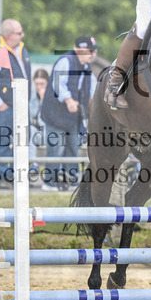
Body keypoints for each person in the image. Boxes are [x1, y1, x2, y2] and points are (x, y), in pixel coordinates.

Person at [41, 36, 97, 189]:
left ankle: (70, 180)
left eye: (93, 51)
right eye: (90, 51)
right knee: (56, 148)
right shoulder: (65, 61)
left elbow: (92, 91)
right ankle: (49, 182)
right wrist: (69, 100)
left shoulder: (87, 69)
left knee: (72, 148)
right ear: (79, 50)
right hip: (55, 115)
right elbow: (58, 84)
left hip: (73, 117)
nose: (93, 54)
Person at [0, 19, 31, 183]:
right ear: (9, 35)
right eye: (19, 33)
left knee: (24, 142)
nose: (22, 35)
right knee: (3, 144)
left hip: (22, 105)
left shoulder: (21, 48)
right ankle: (4, 178)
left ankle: (21, 177)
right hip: (5, 107)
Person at [28, 68, 52, 190]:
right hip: (37, 132)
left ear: (47, 82)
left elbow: (47, 120)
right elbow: (31, 114)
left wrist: (44, 100)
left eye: (42, 84)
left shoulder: (53, 95)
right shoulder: (32, 94)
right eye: (37, 83)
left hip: (50, 132)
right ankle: (34, 165)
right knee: (30, 131)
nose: (39, 86)